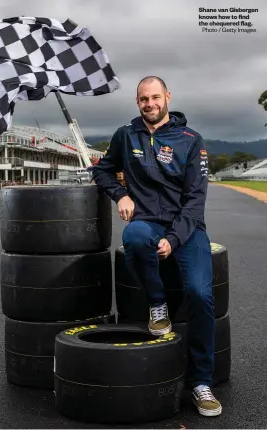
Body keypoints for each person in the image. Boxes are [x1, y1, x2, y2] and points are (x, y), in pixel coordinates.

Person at [91, 76, 222, 417]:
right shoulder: (126, 134)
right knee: (133, 236)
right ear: (138, 103)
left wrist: (174, 238)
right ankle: (157, 304)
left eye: (154, 97)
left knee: (199, 293)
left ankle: (201, 382)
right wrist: (120, 194)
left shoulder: (191, 140)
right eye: (142, 100)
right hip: (147, 221)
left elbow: (196, 201)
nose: (149, 104)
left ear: (167, 97)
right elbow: (102, 170)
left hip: (188, 227)